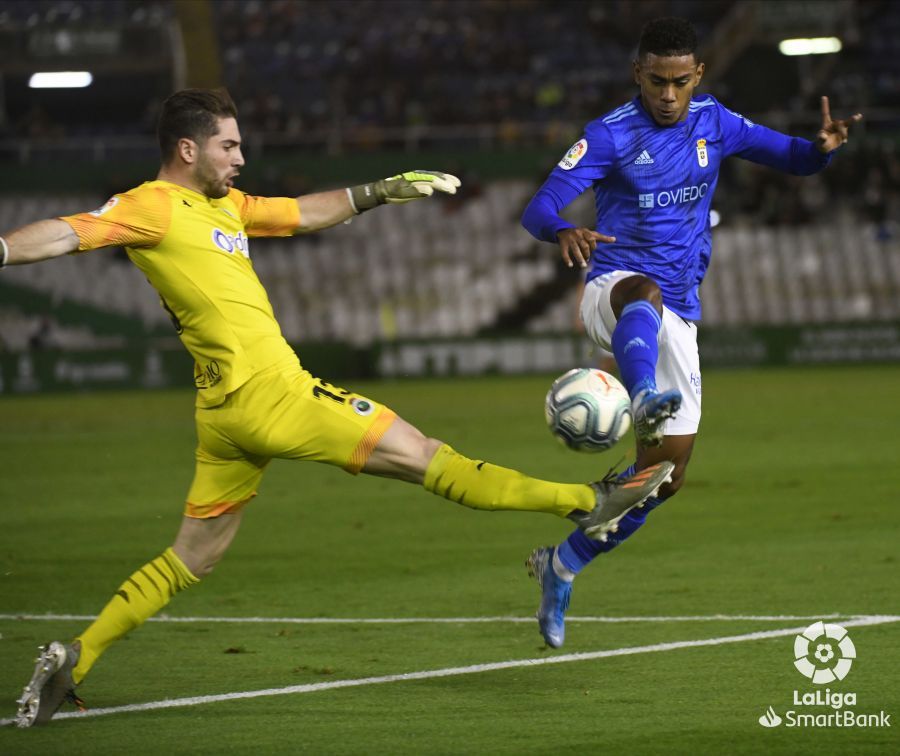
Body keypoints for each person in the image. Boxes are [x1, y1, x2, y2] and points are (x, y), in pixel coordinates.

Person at [6, 88, 673, 727]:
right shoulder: (151, 206)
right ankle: (589, 502)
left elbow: (300, 213)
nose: (240, 158)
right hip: (275, 394)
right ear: (187, 149)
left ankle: (77, 657)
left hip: (225, 414)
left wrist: (378, 191)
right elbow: (68, 234)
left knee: (192, 559)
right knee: (427, 458)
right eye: (229, 146)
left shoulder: (226, 207)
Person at [520, 17, 862, 648]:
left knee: (664, 481)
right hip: (614, 289)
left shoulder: (716, 121)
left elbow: (790, 157)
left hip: (678, 315)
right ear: (638, 75)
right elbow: (538, 206)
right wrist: (560, 229)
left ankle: (561, 565)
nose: (668, 95)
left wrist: (820, 149)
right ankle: (643, 394)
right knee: (641, 292)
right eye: (657, 81)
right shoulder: (610, 135)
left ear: (697, 75)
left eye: (680, 81)